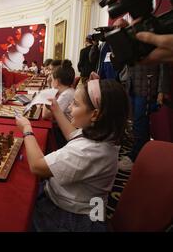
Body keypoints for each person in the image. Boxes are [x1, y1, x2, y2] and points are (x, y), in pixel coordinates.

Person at [16, 79, 131, 231]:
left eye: (75, 104)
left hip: (71, 217)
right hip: (77, 203)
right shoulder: (103, 133)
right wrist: (56, 109)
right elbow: (73, 135)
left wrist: (27, 129)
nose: (69, 108)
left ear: (95, 114)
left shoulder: (88, 151)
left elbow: (37, 166)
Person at [42, 60, 76, 148]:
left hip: (67, 134)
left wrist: (49, 88)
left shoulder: (66, 95)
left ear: (56, 82)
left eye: (52, 79)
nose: (50, 80)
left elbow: (45, 115)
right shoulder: (68, 91)